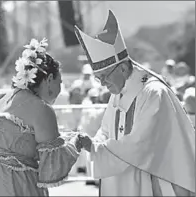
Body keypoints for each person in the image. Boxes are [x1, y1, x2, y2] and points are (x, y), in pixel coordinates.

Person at [75, 10, 195, 196]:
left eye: (104, 77)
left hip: (147, 181)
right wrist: (93, 142)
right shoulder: (118, 91)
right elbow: (105, 130)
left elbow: (141, 144)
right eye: (98, 79)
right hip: (118, 181)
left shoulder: (154, 93)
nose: (102, 84)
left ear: (123, 68)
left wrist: (96, 148)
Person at [0, 38, 81, 196]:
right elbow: (52, 170)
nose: (60, 87)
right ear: (49, 79)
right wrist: (76, 143)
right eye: (59, 81)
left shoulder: (2, 102)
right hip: (14, 183)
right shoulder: (41, 109)